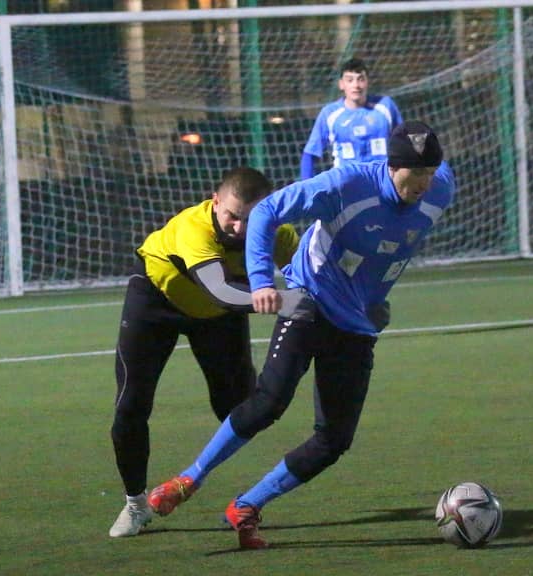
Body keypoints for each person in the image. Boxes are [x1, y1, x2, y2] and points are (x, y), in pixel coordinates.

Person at [145, 121, 455, 549]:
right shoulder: (346, 185)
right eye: (414, 173)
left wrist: (373, 296)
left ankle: (247, 505)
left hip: (356, 325)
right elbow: (266, 211)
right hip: (309, 301)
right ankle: (187, 480)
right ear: (391, 166)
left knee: (335, 439)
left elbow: (388, 245)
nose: (423, 183)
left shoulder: (441, 188)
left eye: (430, 173)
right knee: (269, 402)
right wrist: (261, 281)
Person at [108, 167, 303, 538]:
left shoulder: (279, 233)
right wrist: (288, 301)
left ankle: (245, 502)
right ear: (215, 202)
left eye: (251, 219)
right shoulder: (193, 228)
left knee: (241, 407)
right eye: (232, 215)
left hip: (218, 318)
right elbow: (220, 291)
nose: (239, 228)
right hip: (157, 301)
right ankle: (135, 504)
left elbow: (312, 275)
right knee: (131, 404)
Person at [301, 57, 403, 180]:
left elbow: (404, 142)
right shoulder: (330, 114)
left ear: (367, 82)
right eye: (350, 80)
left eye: (361, 79)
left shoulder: (385, 106)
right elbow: (310, 153)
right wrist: (307, 186)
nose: (356, 85)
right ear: (341, 84)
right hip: (347, 183)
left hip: (383, 180)